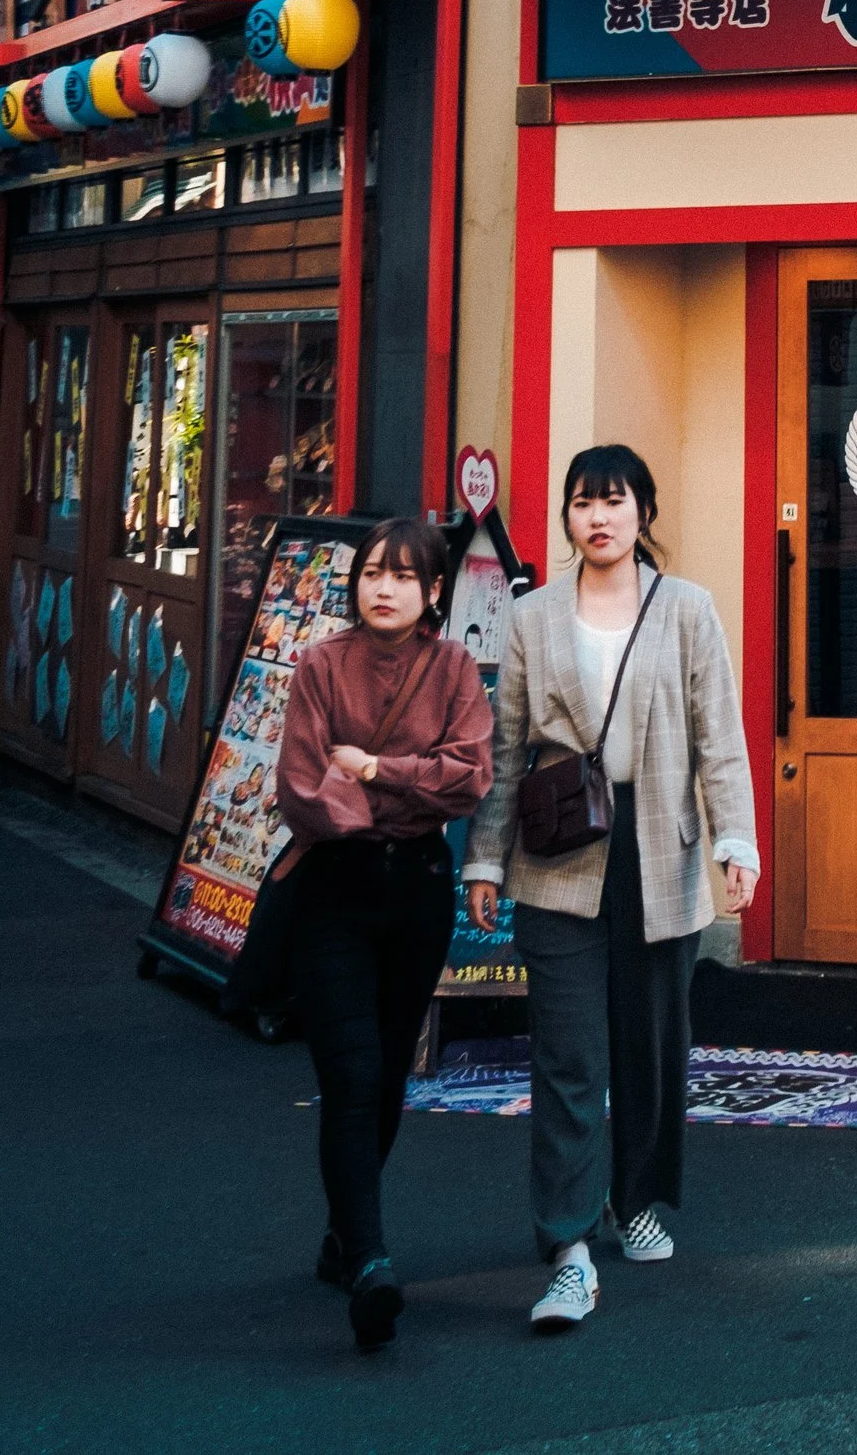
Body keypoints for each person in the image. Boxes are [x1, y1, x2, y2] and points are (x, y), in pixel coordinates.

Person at [465, 443, 758, 1332]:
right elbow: (505, 747)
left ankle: (636, 1199)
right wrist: (484, 857)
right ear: (566, 518)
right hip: (561, 851)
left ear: (643, 512)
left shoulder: (688, 610)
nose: (598, 517)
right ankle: (566, 1241)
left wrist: (734, 837)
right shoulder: (533, 617)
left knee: (650, 1042)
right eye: (583, 503)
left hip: (658, 847)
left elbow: (720, 737)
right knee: (566, 1055)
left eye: (615, 501)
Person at [272, 515, 493, 1351]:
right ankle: (369, 1258)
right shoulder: (320, 666)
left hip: (421, 892)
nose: (384, 587)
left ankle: (342, 1232)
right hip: (335, 887)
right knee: (353, 1071)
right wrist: (399, 795)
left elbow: (469, 777)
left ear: (434, 591)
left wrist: (372, 768)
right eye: (371, 573)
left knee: (391, 1066)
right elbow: (302, 787)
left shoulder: (455, 667)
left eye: (403, 575)